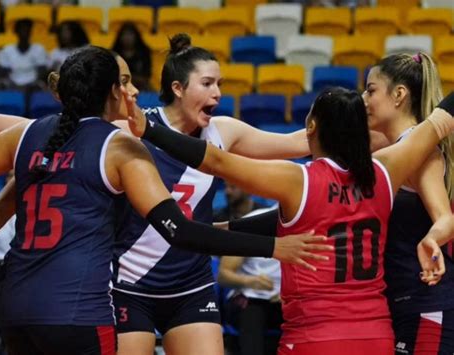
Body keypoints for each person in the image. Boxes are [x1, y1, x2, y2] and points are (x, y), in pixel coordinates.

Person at [0, 34, 318, 355]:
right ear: (178, 88)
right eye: (207, 83)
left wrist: (360, 131)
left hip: (190, 284)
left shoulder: (224, 131)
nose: (217, 93)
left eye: (220, 84)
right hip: (129, 284)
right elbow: (41, 127)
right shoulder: (127, 132)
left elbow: (298, 143)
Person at [124, 84, 454, 355]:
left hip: (314, 336)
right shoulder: (385, 172)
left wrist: (150, 129)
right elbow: (439, 122)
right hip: (375, 334)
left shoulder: (298, 180)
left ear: (311, 126)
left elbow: (218, 162)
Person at [363, 52, 454, 354]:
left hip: (428, 303)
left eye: (371, 90)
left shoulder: (419, 150)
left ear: (399, 95)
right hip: (401, 303)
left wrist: (432, 238)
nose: (364, 99)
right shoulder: (392, 148)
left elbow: (446, 217)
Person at [218, 206, 283, 355]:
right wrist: (250, 281)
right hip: (250, 298)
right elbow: (223, 274)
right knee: (252, 312)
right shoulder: (254, 222)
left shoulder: (313, 225)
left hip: (286, 300)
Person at [112, 22, 151, 92]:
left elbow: (146, 76)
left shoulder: (144, 53)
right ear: (120, 37)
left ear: (136, 36)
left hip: (140, 88)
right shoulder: (114, 54)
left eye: (130, 34)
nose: (127, 38)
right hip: (119, 87)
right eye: (124, 34)